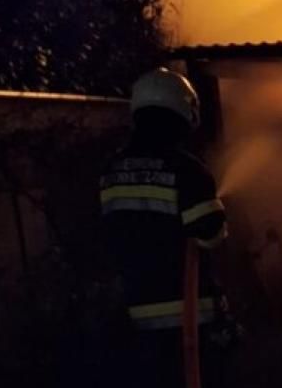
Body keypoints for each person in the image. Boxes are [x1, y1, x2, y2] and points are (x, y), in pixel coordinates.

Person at [100, 67, 230, 386]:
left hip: (135, 315)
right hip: (188, 320)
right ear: (183, 112)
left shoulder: (111, 170)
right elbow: (210, 232)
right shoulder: (187, 170)